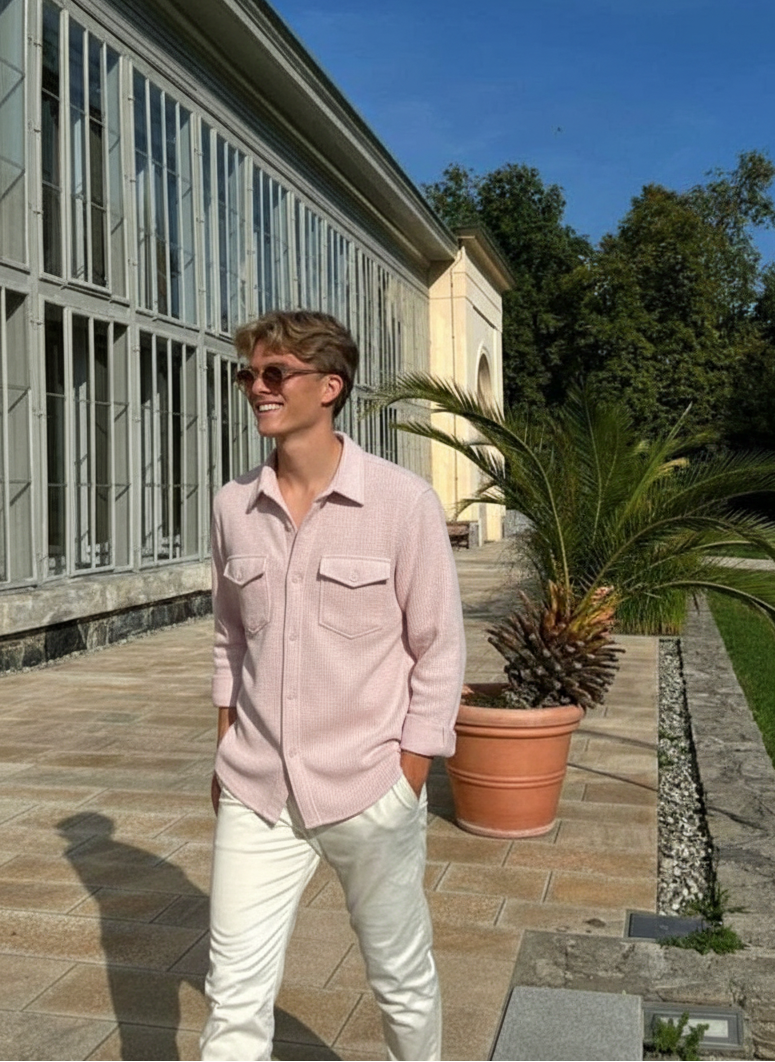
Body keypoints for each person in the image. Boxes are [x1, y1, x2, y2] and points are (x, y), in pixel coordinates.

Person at [200, 310, 465, 1062]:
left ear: (329, 386)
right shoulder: (231, 506)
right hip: (256, 791)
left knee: (400, 980)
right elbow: (229, 638)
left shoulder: (401, 503)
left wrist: (408, 775)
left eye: (274, 373)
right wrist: (225, 747)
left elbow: (439, 648)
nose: (257, 387)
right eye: (248, 374)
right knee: (232, 997)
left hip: (368, 785)